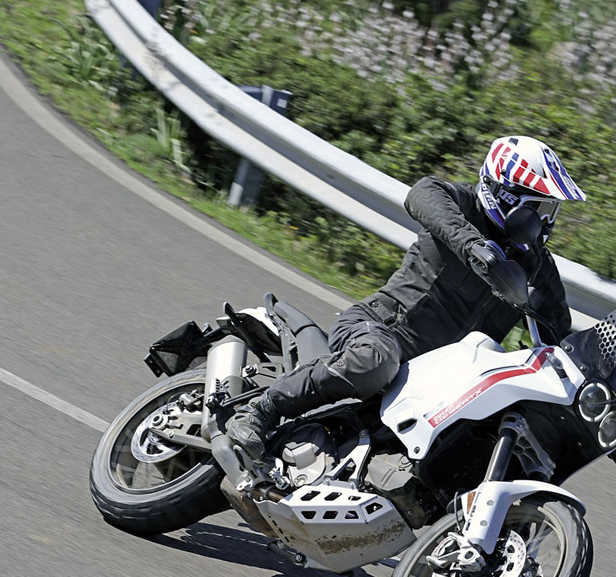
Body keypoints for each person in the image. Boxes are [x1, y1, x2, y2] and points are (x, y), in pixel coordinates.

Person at [223, 135, 586, 459]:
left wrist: (592, 382)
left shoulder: (535, 263)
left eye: (550, 211)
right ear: (508, 198)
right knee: (376, 360)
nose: (546, 223)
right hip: (378, 331)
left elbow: (561, 333)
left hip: (440, 380)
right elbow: (421, 195)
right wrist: (476, 248)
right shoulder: (460, 204)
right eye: (540, 209)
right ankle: (260, 411)